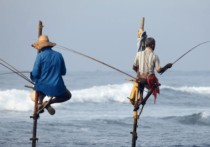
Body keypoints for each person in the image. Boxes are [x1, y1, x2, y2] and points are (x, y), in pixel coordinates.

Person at [30, 35, 71, 115]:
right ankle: (49, 103)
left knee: (40, 89)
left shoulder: (40, 56)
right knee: (67, 96)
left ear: (40, 46)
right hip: (57, 86)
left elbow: (35, 73)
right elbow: (63, 72)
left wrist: (33, 78)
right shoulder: (59, 55)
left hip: (43, 87)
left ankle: (40, 103)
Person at [131, 37, 172, 110]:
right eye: (155, 45)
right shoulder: (155, 56)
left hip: (141, 78)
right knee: (155, 85)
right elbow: (159, 70)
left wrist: (139, 73)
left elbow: (134, 67)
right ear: (152, 45)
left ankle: (140, 98)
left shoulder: (138, 54)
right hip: (149, 79)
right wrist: (167, 66)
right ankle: (144, 100)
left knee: (140, 81)